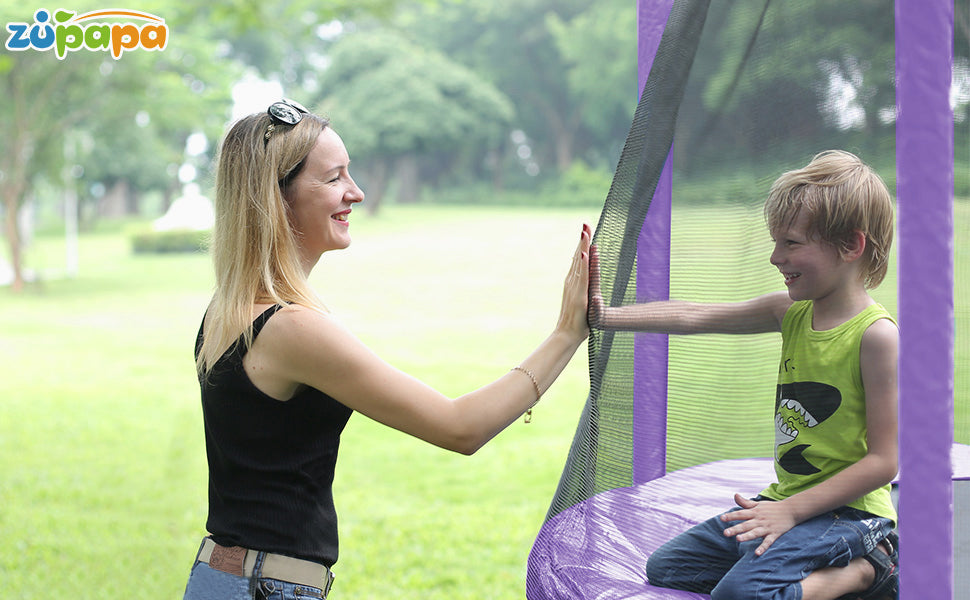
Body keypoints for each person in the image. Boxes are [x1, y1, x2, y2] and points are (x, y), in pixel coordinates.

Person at [182, 99, 592, 600]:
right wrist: (566, 334)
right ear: (276, 197)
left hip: (222, 579)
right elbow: (460, 427)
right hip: (262, 588)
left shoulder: (226, 309)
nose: (355, 192)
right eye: (333, 178)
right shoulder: (290, 328)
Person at [589, 150, 899, 600]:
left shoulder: (876, 338)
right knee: (668, 566)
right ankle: (797, 561)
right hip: (786, 500)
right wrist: (607, 316)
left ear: (851, 246)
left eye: (791, 243)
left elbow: (884, 462)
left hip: (849, 514)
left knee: (737, 596)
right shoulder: (789, 312)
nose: (776, 257)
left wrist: (790, 512)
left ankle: (867, 570)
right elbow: (695, 314)